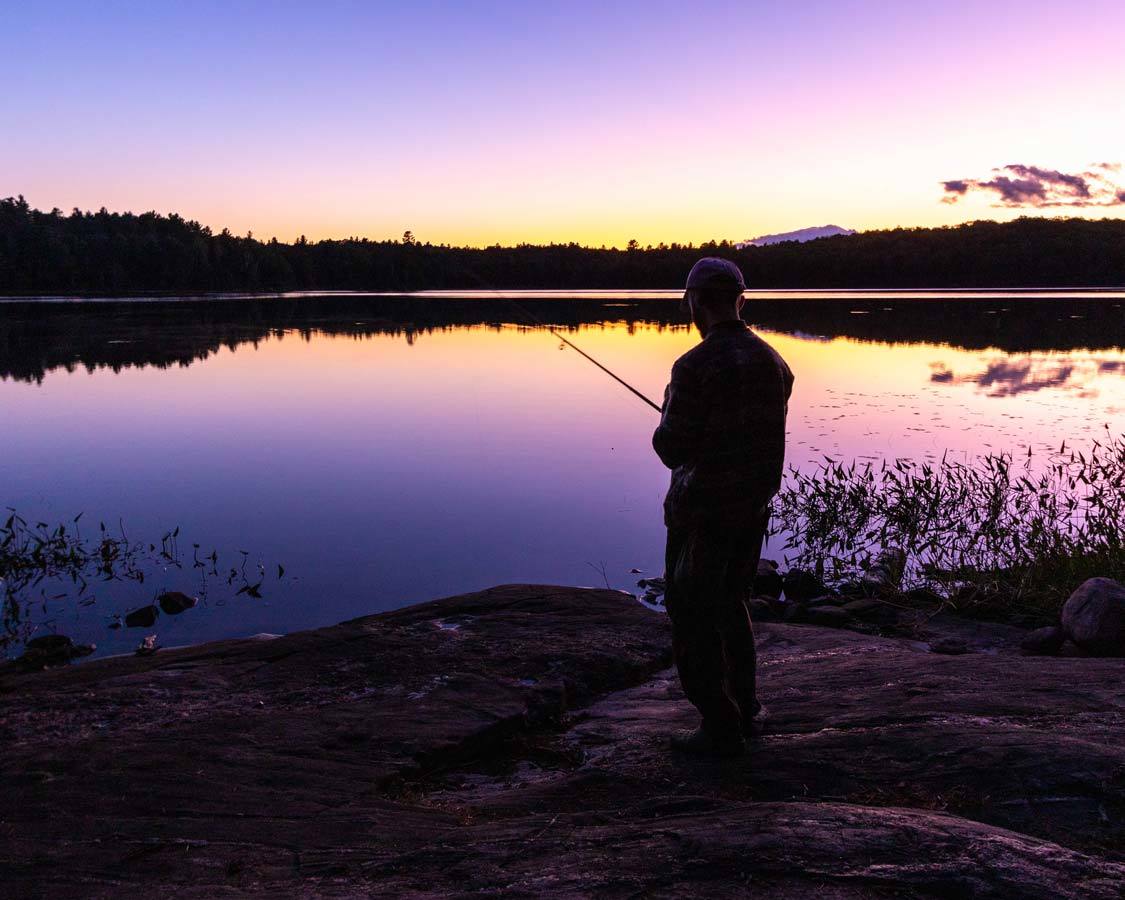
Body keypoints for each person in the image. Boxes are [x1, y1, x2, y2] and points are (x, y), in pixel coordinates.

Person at [653, 257, 794, 757]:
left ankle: (719, 723)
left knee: (691, 612)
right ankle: (747, 706)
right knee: (732, 604)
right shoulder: (774, 362)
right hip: (752, 509)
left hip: (702, 513)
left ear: (694, 302)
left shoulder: (693, 367)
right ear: (741, 298)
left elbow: (671, 447)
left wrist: (670, 403)